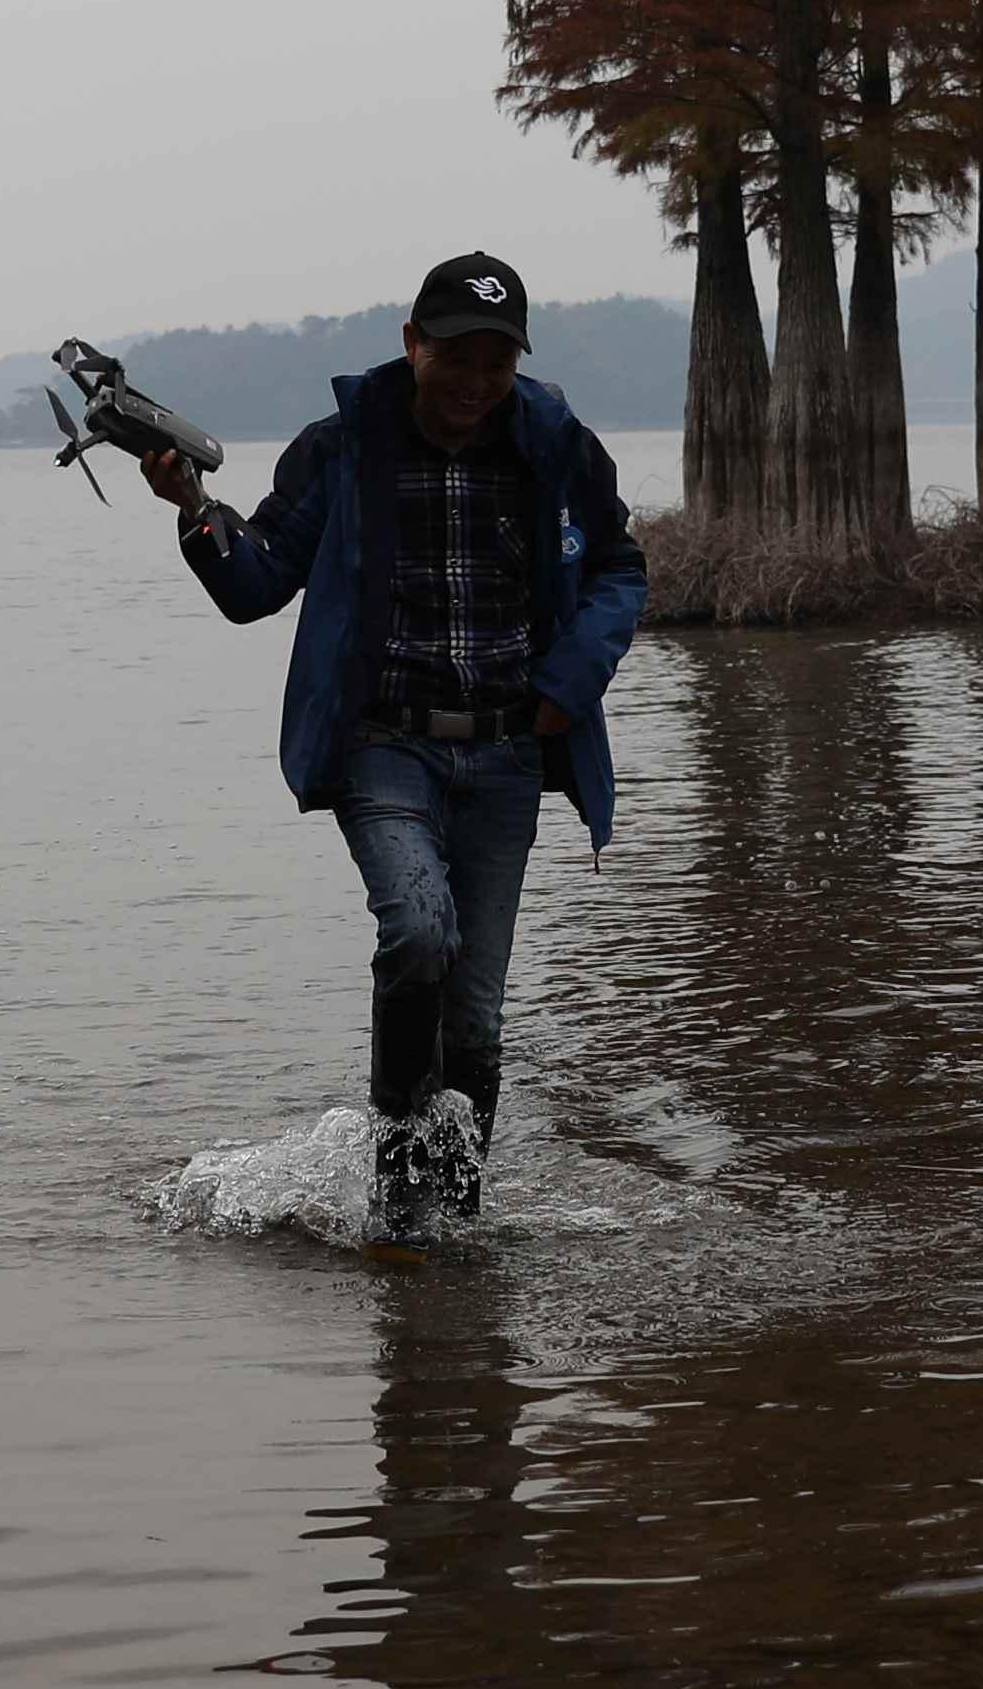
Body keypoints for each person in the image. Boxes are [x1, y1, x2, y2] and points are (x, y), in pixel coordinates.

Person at [146, 250, 650, 1239]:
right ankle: (393, 1200)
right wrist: (194, 511)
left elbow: (618, 568)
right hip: (386, 749)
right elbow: (256, 585)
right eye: (456, 354)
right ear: (412, 344)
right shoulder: (344, 447)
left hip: (507, 755)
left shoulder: (551, 441)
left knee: (475, 1019)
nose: (474, 380)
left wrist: (569, 682)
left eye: (496, 361)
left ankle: (448, 1225)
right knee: (418, 930)